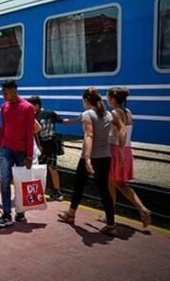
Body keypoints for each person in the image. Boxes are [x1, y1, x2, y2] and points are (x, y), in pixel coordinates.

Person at [58, 87, 123, 236]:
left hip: (91, 157)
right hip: (105, 157)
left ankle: (71, 215)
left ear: (86, 100)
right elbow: (121, 129)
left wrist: (87, 158)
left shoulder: (89, 114)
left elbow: (89, 135)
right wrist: (119, 149)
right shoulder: (107, 114)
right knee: (104, 190)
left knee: (79, 186)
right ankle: (111, 225)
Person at [107, 87, 151, 228]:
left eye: (108, 97)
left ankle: (110, 217)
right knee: (121, 184)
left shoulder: (114, 112)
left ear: (113, 99)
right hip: (127, 150)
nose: (106, 99)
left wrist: (119, 151)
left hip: (116, 150)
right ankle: (142, 209)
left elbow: (122, 131)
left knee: (110, 185)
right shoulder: (128, 112)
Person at [0, 79, 35, 228]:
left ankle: (20, 212)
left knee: (20, 183)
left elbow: (29, 133)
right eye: (2, 92)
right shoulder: (4, 107)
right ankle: (6, 214)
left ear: (14, 90)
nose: (3, 95)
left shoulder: (27, 108)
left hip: (21, 151)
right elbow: (3, 129)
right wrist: (0, 147)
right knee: (5, 181)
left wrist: (29, 155)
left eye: (5, 92)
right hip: (6, 149)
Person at [27, 96, 81, 201]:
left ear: (37, 105)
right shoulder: (45, 114)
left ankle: (48, 191)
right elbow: (63, 122)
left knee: (45, 168)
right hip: (47, 146)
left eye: (31, 106)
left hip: (46, 147)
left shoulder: (41, 116)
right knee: (48, 168)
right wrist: (76, 120)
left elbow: (62, 121)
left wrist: (77, 120)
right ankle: (51, 191)